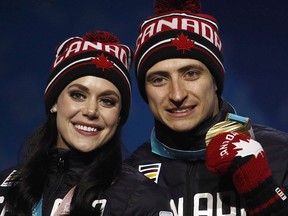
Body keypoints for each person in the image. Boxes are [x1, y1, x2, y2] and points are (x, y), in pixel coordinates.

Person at [125, 0, 288, 215]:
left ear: (216, 82)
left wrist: (263, 192)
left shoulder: (280, 153)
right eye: (159, 79)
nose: (177, 94)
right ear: (145, 92)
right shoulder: (127, 177)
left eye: (191, 73)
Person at [0, 31, 173, 216]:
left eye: (107, 101)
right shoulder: (5, 186)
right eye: (78, 95)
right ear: (54, 103)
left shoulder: (142, 199)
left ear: (119, 116)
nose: (91, 111)